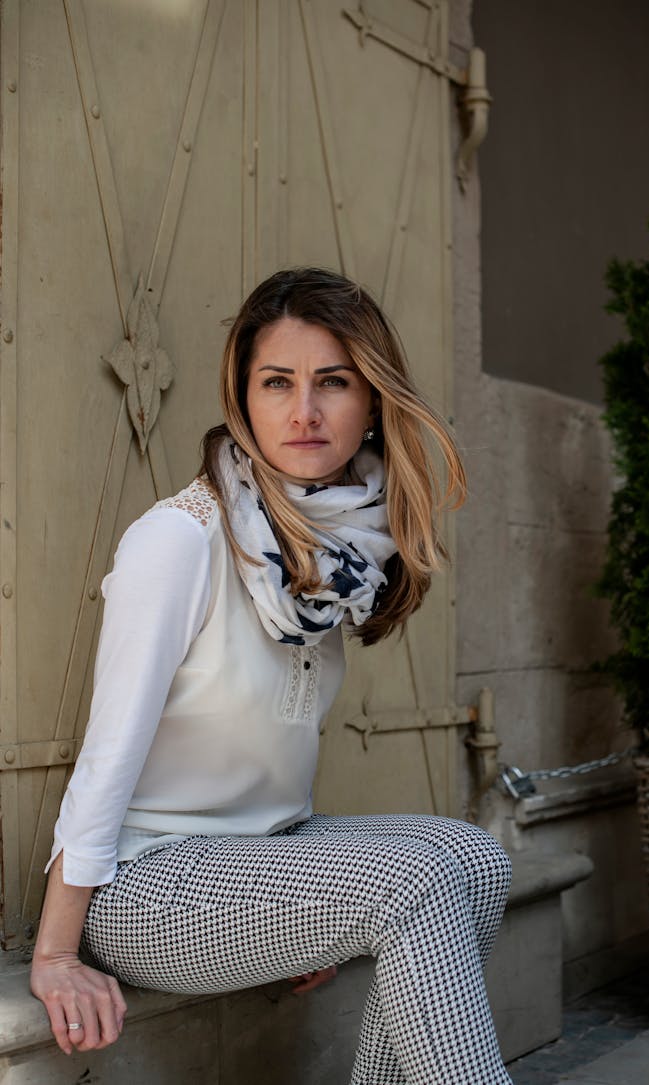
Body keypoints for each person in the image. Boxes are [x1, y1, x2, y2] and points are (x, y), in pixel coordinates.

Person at [30, 267, 514, 1084]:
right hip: (150, 883)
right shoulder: (181, 540)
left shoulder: (342, 545)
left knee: (475, 856)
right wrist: (54, 951)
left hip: (265, 854)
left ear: (371, 403)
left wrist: (300, 902)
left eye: (334, 382)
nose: (305, 411)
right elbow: (108, 755)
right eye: (277, 382)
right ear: (243, 397)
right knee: (417, 880)